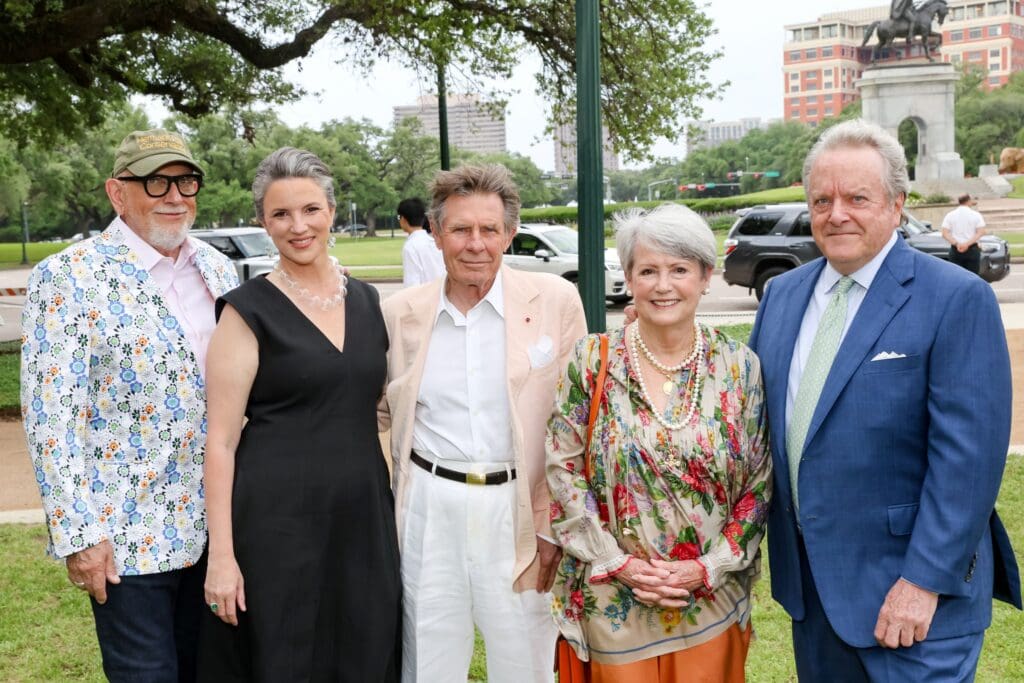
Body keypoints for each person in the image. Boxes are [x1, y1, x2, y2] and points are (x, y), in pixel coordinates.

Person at [748, 118, 1020, 681]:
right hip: (813, 598)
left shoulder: (956, 298)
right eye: (821, 200)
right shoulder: (781, 296)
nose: (836, 214)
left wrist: (923, 582)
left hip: (916, 605)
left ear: (897, 205)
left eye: (857, 198)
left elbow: (968, 461)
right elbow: (751, 422)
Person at [20, 128, 238, 681]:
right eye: (156, 182)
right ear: (117, 192)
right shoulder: (68, 277)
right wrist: (79, 535)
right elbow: (51, 419)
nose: (175, 196)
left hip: (221, 529)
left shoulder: (217, 269)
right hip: (127, 538)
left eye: (186, 181)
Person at [379, 164, 587, 682]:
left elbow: (577, 422)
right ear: (435, 232)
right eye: (460, 229)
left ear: (509, 233)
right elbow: (379, 415)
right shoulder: (399, 313)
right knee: (427, 665)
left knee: (525, 666)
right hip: (429, 510)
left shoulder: (555, 301)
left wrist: (552, 527)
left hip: (519, 512)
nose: (476, 244)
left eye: (489, 229)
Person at [198, 147, 401, 680]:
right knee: (286, 656)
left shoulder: (368, 301)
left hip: (362, 517)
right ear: (264, 223)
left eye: (311, 209)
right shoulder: (246, 311)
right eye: (281, 214)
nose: (298, 226)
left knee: (365, 646)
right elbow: (220, 441)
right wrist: (222, 556)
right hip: (276, 522)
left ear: (331, 212)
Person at [546, 203, 772, 681]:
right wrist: (616, 562)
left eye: (679, 270)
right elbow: (563, 470)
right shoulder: (592, 360)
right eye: (648, 270)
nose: (663, 285)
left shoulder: (739, 366)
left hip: (710, 600)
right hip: (613, 601)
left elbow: (759, 482)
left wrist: (709, 567)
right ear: (629, 277)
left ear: (706, 276)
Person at [397, 196, 446, 286]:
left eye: (398, 217)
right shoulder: (435, 242)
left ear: (403, 219)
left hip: (424, 293)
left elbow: (411, 284)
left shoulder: (410, 247)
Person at [941, 193, 986, 274]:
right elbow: (981, 232)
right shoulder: (976, 215)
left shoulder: (950, 215)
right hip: (972, 249)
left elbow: (945, 233)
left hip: (956, 249)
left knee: (956, 276)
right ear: (968, 201)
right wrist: (967, 244)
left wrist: (957, 244)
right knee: (972, 276)